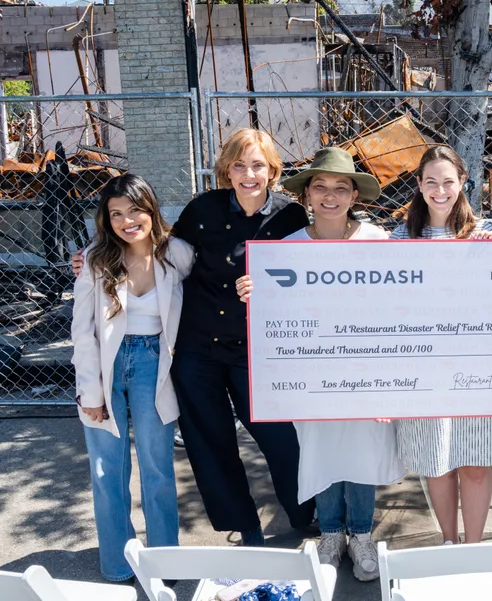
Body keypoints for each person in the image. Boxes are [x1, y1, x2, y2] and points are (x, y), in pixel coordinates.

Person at [73, 129, 316, 543]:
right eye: (239, 165)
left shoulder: (290, 216)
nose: (248, 174)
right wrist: (93, 254)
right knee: (211, 443)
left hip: (254, 351)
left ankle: (302, 513)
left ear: (272, 169)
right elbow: (153, 245)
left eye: (257, 165)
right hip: (196, 350)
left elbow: (307, 277)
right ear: (226, 170)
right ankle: (245, 525)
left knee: (281, 439)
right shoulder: (203, 208)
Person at [236, 147, 405, 581]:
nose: (330, 196)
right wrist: (254, 294)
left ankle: (362, 533)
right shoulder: (287, 248)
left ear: (354, 196)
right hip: (312, 371)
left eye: (340, 188)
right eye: (321, 187)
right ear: (307, 194)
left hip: (367, 366)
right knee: (322, 448)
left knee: (363, 449)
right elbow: (275, 313)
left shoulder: (378, 242)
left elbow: (402, 307)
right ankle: (331, 532)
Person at [390, 145, 492, 546]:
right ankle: (448, 542)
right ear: (420, 186)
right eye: (431, 182)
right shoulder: (399, 239)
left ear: (463, 182)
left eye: (449, 181)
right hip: (423, 368)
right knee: (437, 461)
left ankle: (473, 547)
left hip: (475, 369)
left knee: (476, 461)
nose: (440, 190)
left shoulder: (486, 235)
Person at [72, 174, 194, 582]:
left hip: (154, 365)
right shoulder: (96, 259)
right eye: (117, 214)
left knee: (158, 469)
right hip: (108, 365)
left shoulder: (176, 254)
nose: (128, 220)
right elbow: (82, 331)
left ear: (151, 208)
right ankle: (118, 564)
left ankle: (164, 561)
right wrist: (89, 391)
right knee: (108, 471)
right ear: (107, 220)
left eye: (135, 210)